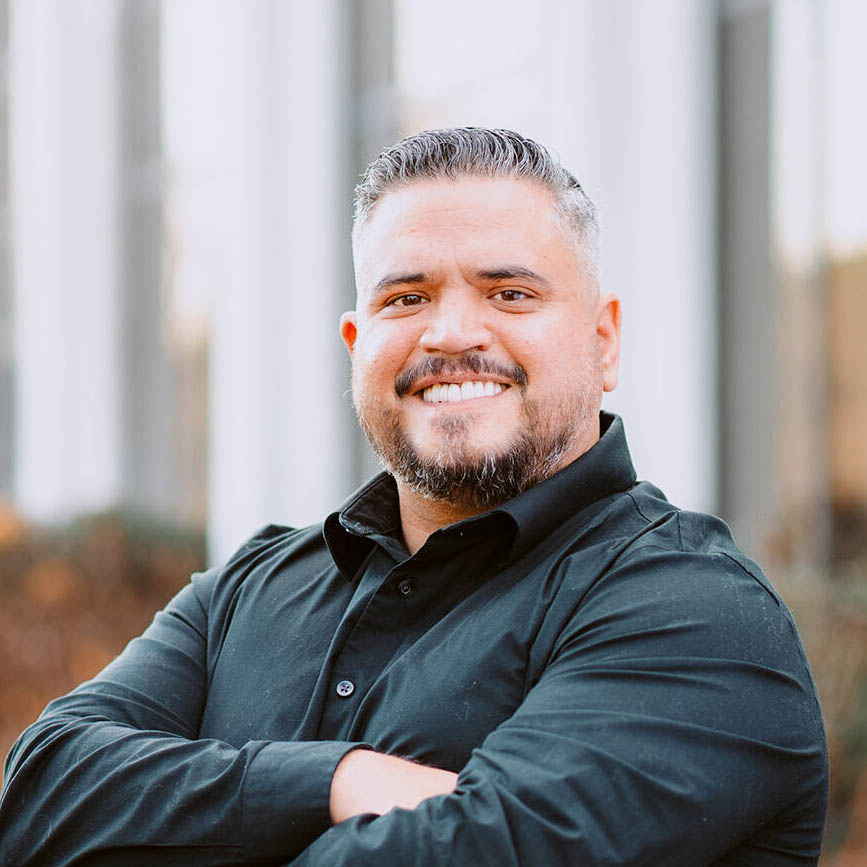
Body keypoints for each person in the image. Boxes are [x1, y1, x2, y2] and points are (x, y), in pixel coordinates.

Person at [0, 128, 827, 866]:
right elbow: (38, 790)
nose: (451, 333)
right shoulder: (245, 590)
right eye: (407, 298)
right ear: (357, 345)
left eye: (510, 293)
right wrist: (339, 780)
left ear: (601, 342)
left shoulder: (697, 614)